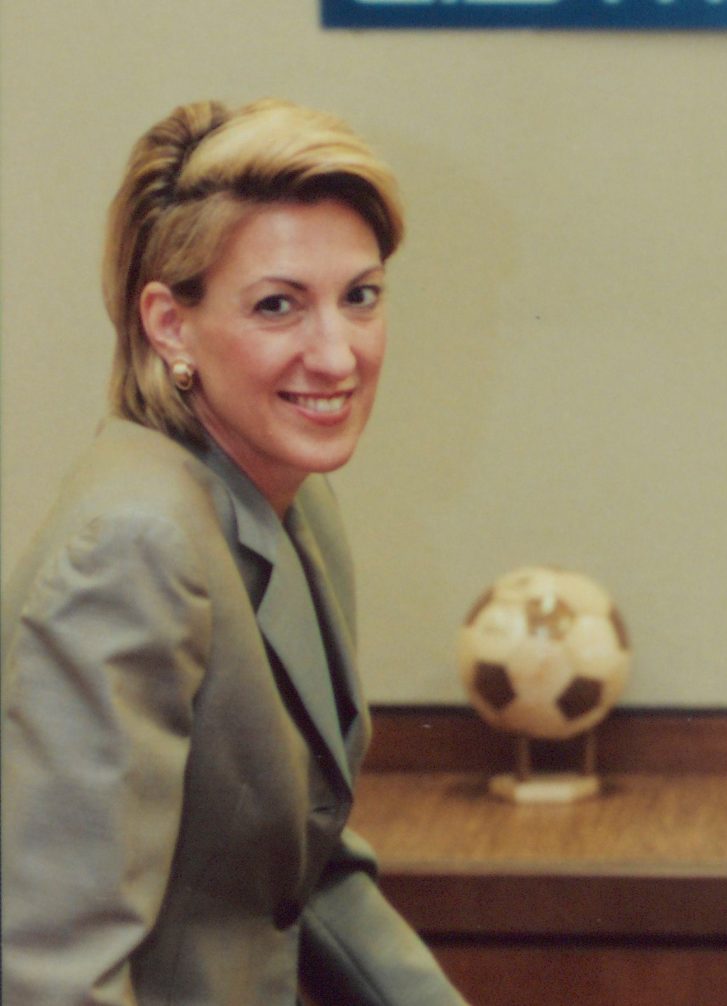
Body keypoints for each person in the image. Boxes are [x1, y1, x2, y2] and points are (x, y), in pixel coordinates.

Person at [0, 99, 469, 1004]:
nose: (336, 356)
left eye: (359, 297)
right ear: (170, 325)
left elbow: (309, 873)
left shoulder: (290, 498)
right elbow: (51, 973)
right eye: (278, 306)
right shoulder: (135, 544)